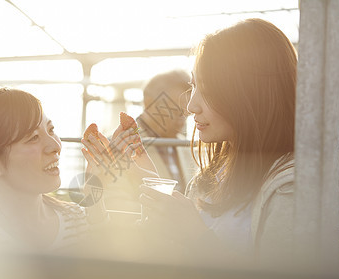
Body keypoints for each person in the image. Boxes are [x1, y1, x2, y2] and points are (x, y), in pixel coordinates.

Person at [84, 18, 297, 265]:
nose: (190, 106)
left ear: (251, 91)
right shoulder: (212, 175)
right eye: (194, 86)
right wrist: (140, 187)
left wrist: (194, 233)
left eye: (207, 89)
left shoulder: (290, 189)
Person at [0, 88, 107, 252]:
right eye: (33, 138)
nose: (56, 146)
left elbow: (104, 269)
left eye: (51, 130)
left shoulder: (75, 219)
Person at [137, 70, 197, 193]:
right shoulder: (121, 145)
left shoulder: (186, 148)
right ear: (149, 103)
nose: (182, 121)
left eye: (186, 114)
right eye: (175, 111)